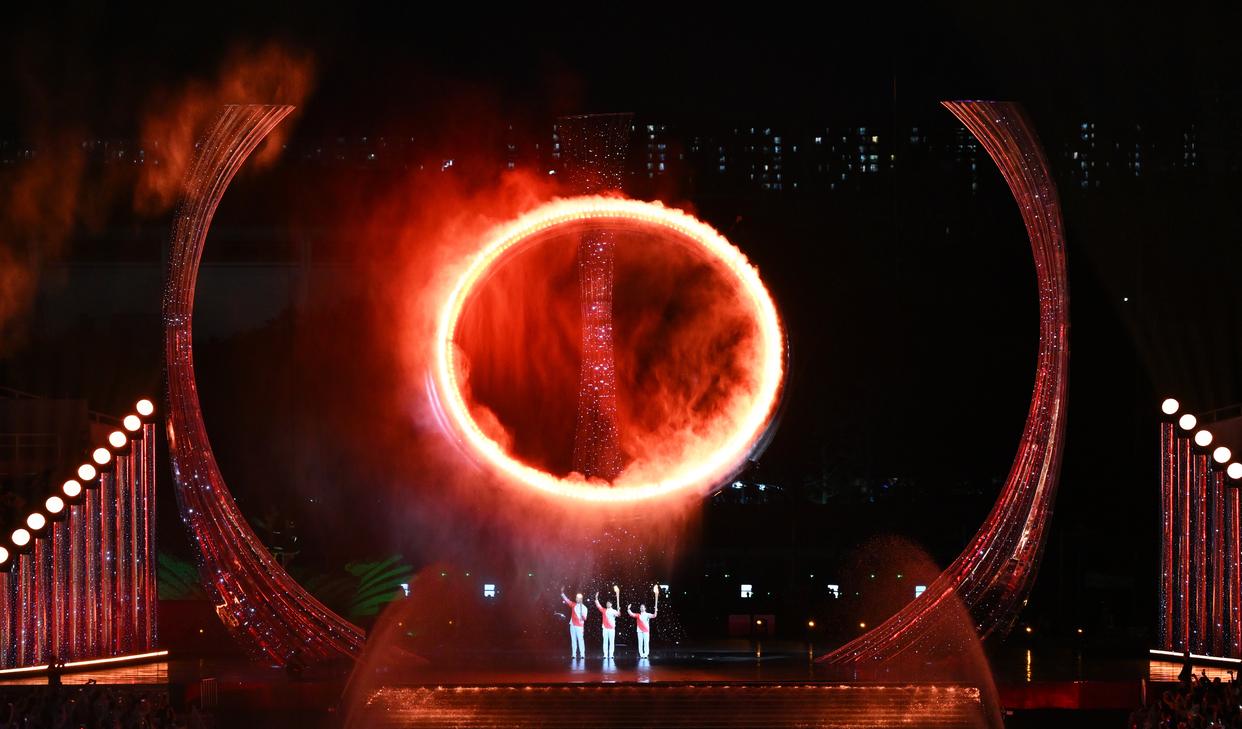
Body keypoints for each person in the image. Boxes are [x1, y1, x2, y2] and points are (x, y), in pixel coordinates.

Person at [628, 585, 659, 659]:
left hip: (646, 631)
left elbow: (654, 616)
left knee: (646, 643)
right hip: (639, 631)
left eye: (642, 607)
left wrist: (656, 610)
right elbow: (631, 614)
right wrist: (628, 609)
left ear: (645, 608)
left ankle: (646, 654)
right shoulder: (638, 615)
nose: (641, 608)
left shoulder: (647, 614)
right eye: (640, 607)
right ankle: (641, 654)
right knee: (640, 643)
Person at [561, 589, 589, 659]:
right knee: (573, 640)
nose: (577, 599)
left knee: (580, 640)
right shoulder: (573, 604)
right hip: (572, 625)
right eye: (576, 598)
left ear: (581, 599)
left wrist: (582, 615)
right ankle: (574, 654)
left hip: (579, 626)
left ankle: (582, 654)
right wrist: (562, 593)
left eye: (578, 598)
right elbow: (567, 600)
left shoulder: (585, 608)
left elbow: (585, 618)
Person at [595, 587, 621, 660]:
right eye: (607, 603)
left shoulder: (614, 611)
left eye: (609, 603)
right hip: (605, 628)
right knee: (605, 642)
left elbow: (619, 615)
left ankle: (611, 654)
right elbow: (598, 606)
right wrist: (596, 598)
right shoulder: (604, 610)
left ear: (611, 604)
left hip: (612, 628)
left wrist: (619, 610)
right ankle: (605, 654)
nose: (607, 604)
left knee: (611, 642)